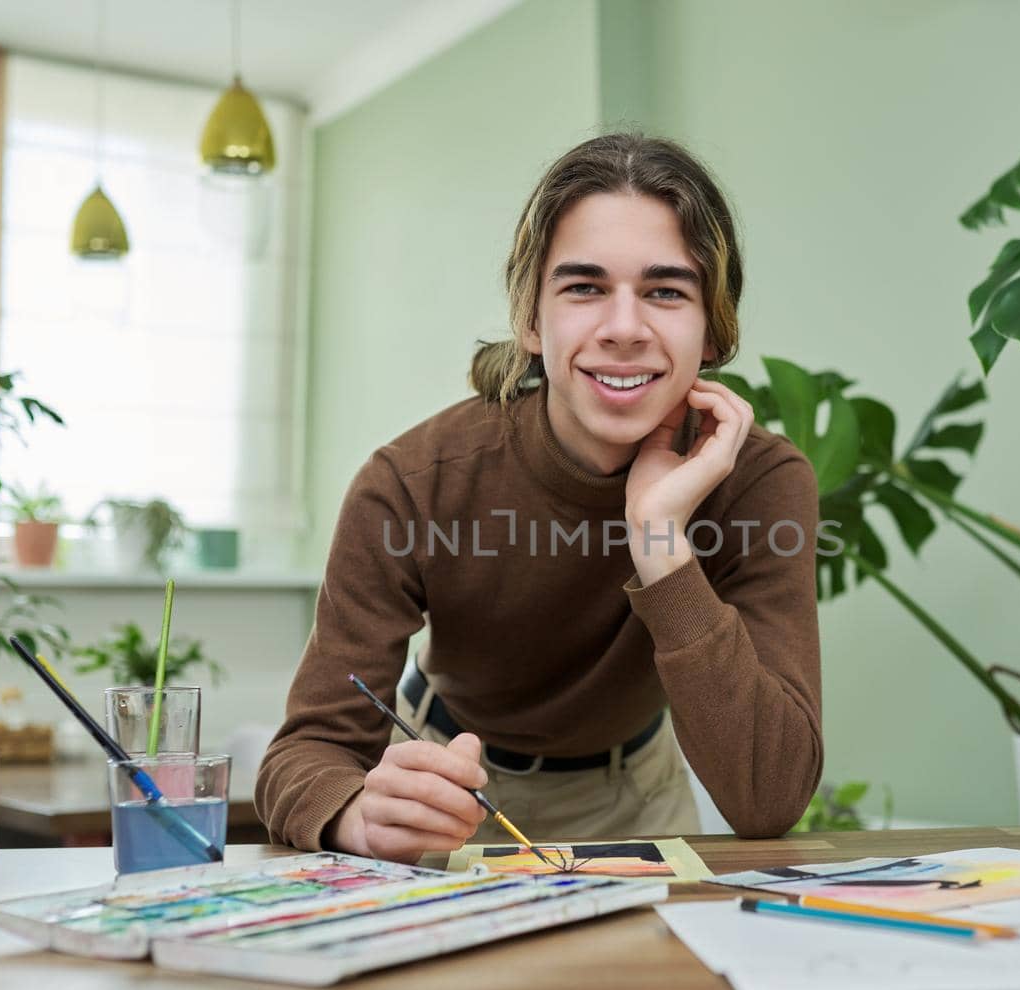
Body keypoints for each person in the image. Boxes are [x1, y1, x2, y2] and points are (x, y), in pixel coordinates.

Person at [256, 132, 823, 863]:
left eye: (665, 290)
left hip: (639, 795)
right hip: (449, 789)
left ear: (713, 327)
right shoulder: (411, 484)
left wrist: (658, 538)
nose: (624, 329)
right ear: (531, 320)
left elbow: (768, 794)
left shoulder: (761, 483)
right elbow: (304, 751)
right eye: (584, 287)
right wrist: (358, 814)